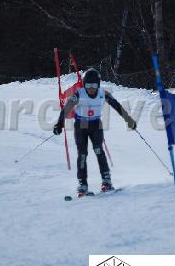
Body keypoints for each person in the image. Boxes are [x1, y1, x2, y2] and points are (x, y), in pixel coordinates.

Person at [53, 68, 136, 197]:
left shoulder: (103, 94)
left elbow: (117, 106)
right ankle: (82, 184)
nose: (91, 89)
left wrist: (128, 119)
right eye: (88, 85)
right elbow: (66, 108)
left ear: (98, 84)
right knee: (82, 154)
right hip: (81, 125)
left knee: (98, 150)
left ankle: (106, 180)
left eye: (94, 85)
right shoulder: (79, 94)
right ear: (84, 85)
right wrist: (59, 124)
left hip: (95, 124)